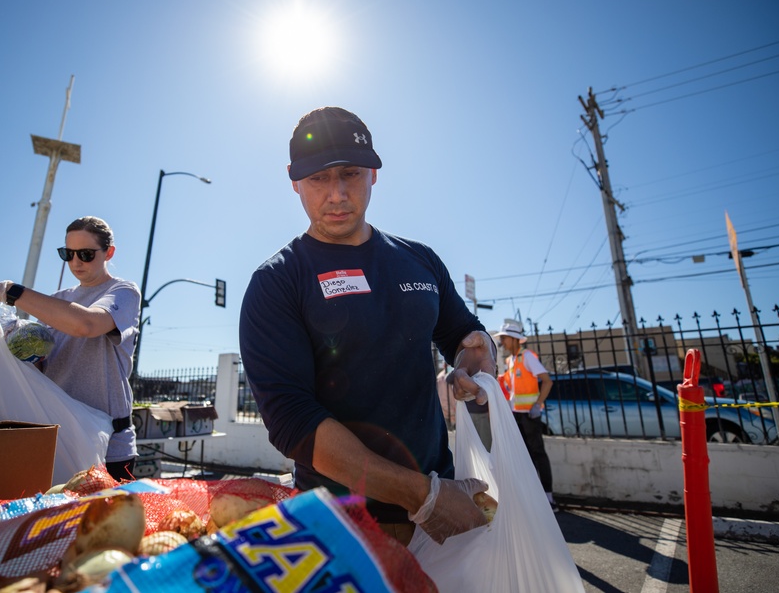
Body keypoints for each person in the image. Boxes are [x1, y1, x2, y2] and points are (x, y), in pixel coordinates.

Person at [239, 106, 497, 547]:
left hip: (446, 511)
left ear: (374, 174)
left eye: (351, 174)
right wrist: (424, 496)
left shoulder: (420, 260)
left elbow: (465, 335)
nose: (337, 194)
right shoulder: (278, 281)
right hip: (342, 529)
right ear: (294, 180)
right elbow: (292, 419)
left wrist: (475, 359)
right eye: (318, 178)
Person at [0, 216, 141, 482]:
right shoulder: (59, 300)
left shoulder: (123, 292)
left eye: (85, 253)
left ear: (109, 252)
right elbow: (40, 363)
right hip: (59, 440)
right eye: (67, 254)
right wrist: (15, 343)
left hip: (109, 448)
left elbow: (86, 324)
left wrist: (8, 291)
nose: (75, 262)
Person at [492, 319, 557, 512]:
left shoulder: (527, 356)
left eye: (504, 338)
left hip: (530, 415)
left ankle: (549, 499)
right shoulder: (511, 361)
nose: (502, 342)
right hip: (517, 415)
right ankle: (533, 497)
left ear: (514, 339)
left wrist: (537, 405)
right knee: (526, 456)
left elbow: (547, 381)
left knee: (538, 454)